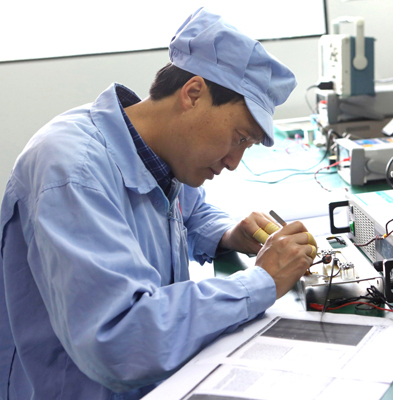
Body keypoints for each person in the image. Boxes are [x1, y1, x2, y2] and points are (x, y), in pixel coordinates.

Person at [0, 8, 313, 400]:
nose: (235, 162)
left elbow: (185, 211)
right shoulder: (71, 170)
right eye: (239, 138)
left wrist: (227, 234)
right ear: (193, 94)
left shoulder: (156, 148)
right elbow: (121, 340)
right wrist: (260, 281)